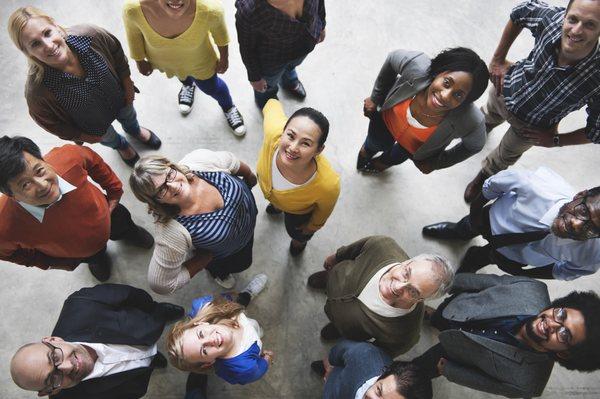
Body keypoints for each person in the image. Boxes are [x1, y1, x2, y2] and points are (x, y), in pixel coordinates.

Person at [464, 0, 600, 202]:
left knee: (504, 156)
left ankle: (485, 174)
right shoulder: (551, 20)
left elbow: (596, 131)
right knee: (487, 116)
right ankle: (481, 131)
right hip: (506, 89)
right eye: (573, 19)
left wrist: (556, 141)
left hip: (532, 127)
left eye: (590, 24)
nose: (577, 30)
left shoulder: (597, 77)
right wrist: (498, 59)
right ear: (565, 16)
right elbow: (521, 12)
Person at [7, 7, 161, 167]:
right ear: (27, 52)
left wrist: (127, 84)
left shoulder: (91, 35)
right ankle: (120, 145)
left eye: (47, 33)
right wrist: (82, 135)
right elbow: (51, 123)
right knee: (110, 138)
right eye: (35, 44)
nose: (48, 45)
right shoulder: (38, 93)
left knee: (129, 117)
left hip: (120, 99)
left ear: (55, 26)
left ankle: (133, 130)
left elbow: (115, 52)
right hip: (95, 125)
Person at [413, 273, 600, 398]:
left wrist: (449, 370)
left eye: (565, 334)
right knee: (439, 317)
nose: (551, 323)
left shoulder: (528, 384)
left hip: (454, 352)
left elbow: (486, 383)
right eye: (561, 314)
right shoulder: (532, 288)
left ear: (564, 354)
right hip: (458, 308)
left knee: (416, 371)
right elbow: (481, 282)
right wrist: (445, 283)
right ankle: (433, 318)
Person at [0, 136, 153, 281]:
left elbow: (93, 160)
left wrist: (114, 190)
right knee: (94, 256)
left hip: (109, 213)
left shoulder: (68, 157)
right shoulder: (4, 225)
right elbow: (9, 254)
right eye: (25, 184)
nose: (43, 185)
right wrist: (52, 262)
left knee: (124, 225)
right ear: (11, 195)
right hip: (78, 252)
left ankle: (130, 233)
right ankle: (97, 259)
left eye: (39, 171)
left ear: (45, 161)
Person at [423, 167, 600, 280]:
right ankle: (459, 231)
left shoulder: (593, 254)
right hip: (489, 221)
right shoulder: (536, 185)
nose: (577, 224)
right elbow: (493, 186)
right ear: (579, 195)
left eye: (592, 228)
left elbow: (565, 271)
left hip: (514, 258)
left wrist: (524, 274)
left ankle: (473, 260)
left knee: (483, 258)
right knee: (467, 226)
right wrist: (475, 212)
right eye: (583, 211)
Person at [9, 284, 184, 398]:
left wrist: (153, 309)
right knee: (150, 362)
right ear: (49, 391)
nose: (68, 367)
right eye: (52, 378)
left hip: (148, 323)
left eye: (54, 357)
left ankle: (161, 315)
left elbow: (132, 296)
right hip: (137, 378)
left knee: (157, 315)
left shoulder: (81, 304)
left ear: (53, 340)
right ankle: (150, 361)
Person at [129, 148, 258, 292]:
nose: (173, 186)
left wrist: (249, 176)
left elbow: (232, 162)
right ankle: (219, 274)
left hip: (249, 223)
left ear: (171, 166)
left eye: (169, 175)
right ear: (154, 201)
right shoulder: (170, 231)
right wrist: (202, 260)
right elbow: (161, 284)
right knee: (241, 264)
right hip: (231, 252)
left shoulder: (200, 162)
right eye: (161, 190)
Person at [307, 235, 454, 356]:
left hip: (347, 328)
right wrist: (335, 259)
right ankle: (327, 279)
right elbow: (352, 250)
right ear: (408, 261)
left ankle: (337, 328)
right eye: (406, 273)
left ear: (421, 299)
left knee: (343, 328)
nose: (397, 287)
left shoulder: (406, 333)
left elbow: (376, 354)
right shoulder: (383, 246)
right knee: (331, 276)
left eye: (413, 291)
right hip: (337, 276)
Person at [122, 0, 246, 135]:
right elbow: (133, 36)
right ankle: (188, 85)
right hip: (167, 61)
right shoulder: (133, 11)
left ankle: (228, 107)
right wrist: (139, 60)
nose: (176, 1)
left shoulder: (211, 11)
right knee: (181, 76)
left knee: (212, 87)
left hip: (200, 62)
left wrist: (224, 59)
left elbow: (221, 37)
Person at [357, 47, 489, 173]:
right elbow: (392, 59)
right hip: (385, 121)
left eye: (458, 95)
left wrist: (437, 163)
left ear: (466, 101)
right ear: (438, 72)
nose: (444, 96)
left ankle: (383, 163)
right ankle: (368, 150)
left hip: (413, 148)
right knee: (375, 141)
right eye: (447, 83)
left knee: (396, 156)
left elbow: (475, 145)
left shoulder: (470, 120)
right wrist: (376, 97)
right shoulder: (416, 65)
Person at [257, 99, 340, 255]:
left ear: (319, 150)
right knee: (277, 202)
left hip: (298, 214)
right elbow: (271, 104)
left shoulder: (328, 184)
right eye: (290, 135)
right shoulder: (272, 131)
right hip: (274, 196)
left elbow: (324, 210)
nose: (293, 148)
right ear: (283, 130)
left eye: (306, 143)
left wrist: (312, 227)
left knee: (297, 233)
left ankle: (298, 243)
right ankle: (277, 206)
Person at [167, 274, 271, 385]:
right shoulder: (243, 369)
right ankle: (257, 330)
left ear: (200, 323)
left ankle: (247, 294)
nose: (211, 340)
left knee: (241, 307)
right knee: (256, 328)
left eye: (201, 334)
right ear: (208, 362)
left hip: (234, 312)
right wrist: (266, 358)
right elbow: (258, 370)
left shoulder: (205, 306)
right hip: (253, 343)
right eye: (204, 351)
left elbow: (224, 300)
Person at [235, 0, 326, 108]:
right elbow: (247, 48)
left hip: (304, 46)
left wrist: (322, 24)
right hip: (273, 59)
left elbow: (319, 3)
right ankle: (267, 99)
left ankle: (289, 80)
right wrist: (255, 77)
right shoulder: (250, 11)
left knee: (292, 66)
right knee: (268, 86)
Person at [311, 340, 433, 399]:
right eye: (378, 391)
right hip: (334, 381)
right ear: (382, 374)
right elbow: (340, 350)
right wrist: (329, 365)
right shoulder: (364, 354)